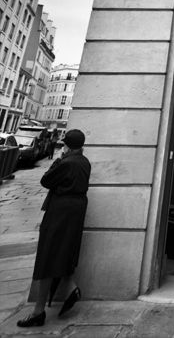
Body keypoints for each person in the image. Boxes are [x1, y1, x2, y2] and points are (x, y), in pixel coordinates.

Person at [17, 128, 91, 328]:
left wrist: (58, 160)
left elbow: (46, 180)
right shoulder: (84, 162)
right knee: (63, 252)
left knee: (49, 256)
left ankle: (38, 311)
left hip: (60, 212)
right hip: (74, 210)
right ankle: (70, 288)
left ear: (68, 145)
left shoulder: (67, 163)